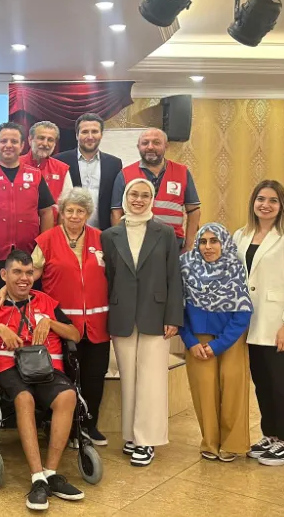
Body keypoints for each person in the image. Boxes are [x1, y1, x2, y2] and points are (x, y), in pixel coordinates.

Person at [0, 187, 111, 447]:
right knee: (66, 378)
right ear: (61, 213)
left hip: (97, 323)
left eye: (80, 211)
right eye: (69, 210)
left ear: (88, 214)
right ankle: (65, 429)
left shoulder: (101, 239)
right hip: (59, 322)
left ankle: (89, 426)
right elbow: (27, 275)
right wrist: (4, 290)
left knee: (94, 377)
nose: (74, 216)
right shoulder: (47, 240)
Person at [0, 250, 85, 511]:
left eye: (29, 272)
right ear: (4, 274)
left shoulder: (46, 301)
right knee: (24, 398)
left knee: (68, 396)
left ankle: (51, 474)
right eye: (17, 272)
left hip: (46, 368)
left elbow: (75, 334)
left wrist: (50, 323)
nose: (24, 278)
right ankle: (37, 478)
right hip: (9, 368)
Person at [101, 178, 183, 467]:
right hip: (122, 314)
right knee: (129, 378)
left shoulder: (165, 233)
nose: (138, 199)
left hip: (156, 315)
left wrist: (173, 316)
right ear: (125, 197)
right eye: (133, 194)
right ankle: (131, 434)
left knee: (151, 379)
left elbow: (174, 276)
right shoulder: (110, 235)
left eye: (145, 195)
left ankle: (146, 440)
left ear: (152, 199)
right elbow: (108, 278)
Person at [233, 180, 284, 466]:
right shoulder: (241, 234)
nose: (265, 205)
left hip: (279, 322)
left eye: (273, 200)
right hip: (250, 321)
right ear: (253, 202)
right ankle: (271, 435)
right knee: (262, 383)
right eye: (261, 199)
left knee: (282, 384)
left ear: (281, 205)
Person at [179, 223, 253, 462]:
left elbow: (243, 312)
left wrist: (219, 345)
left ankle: (233, 444)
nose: (208, 247)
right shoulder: (185, 266)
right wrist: (190, 341)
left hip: (231, 338)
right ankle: (210, 443)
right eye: (203, 241)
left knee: (233, 389)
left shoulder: (235, 267)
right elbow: (178, 309)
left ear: (224, 243)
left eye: (214, 241)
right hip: (197, 339)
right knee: (204, 391)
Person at [0, 122, 55, 292]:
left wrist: (42, 248)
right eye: (3, 141)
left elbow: (46, 212)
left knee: (25, 306)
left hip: (27, 260)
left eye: (14, 141)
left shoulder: (35, 176)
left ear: (22, 145)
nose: (8, 145)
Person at [110, 128, 201, 253]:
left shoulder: (182, 172)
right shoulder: (125, 174)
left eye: (156, 143)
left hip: (173, 244)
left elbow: (194, 211)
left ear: (166, 146)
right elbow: (116, 212)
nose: (150, 147)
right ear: (138, 147)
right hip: (136, 244)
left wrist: (189, 245)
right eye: (145, 143)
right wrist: (120, 246)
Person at [53, 113, 122, 231]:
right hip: (69, 231)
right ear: (77, 135)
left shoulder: (114, 164)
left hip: (103, 232)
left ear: (101, 134)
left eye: (94, 131)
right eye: (85, 132)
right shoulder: (60, 161)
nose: (90, 137)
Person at [20, 121, 73, 221]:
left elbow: (67, 207)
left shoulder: (62, 169)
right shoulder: (15, 164)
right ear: (30, 139)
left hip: (51, 228)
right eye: (41, 138)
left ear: (55, 143)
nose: (45, 144)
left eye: (50, 140)